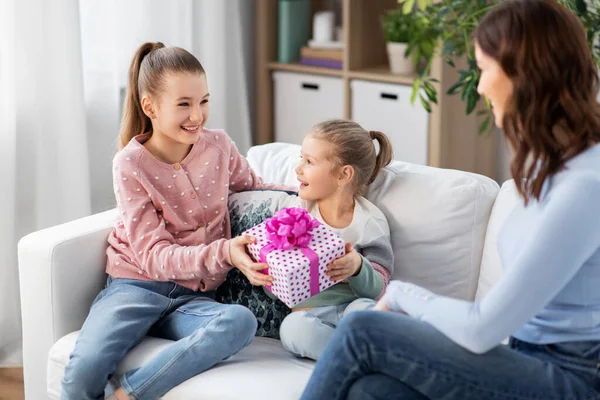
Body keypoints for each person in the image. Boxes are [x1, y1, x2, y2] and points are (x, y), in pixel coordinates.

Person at [301, 1, 600, 399]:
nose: (478, 86)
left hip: (567, 378)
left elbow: (481, 329)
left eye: (484, 68)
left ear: (522, 73)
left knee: (362, 331)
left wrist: (405, 295)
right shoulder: (550, 167)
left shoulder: (585, 185)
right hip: (527, 359)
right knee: (369, 390)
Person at [61, 42, 285, 400]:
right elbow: (154, 257)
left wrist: (310, 193)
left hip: (194, 298)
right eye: (184, 104)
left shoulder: (219, 147)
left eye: (203, 101)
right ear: (150, 106)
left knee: (239, 321)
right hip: (136, 287)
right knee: (80, 373)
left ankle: (130, 394)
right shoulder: (130, 164)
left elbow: (255, 187)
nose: (197, 115)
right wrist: (226, 251)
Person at [244, 119, 395, 360]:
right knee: (293, 330)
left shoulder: (370, 222)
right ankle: (359, 359)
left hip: (353, 306)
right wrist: (269, 274)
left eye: (309, 162)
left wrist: (357, 267)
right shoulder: (295, 212)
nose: (298, 169)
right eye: (300, 158)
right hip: (310, 314)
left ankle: (372, 353)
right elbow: (275, 286)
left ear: (344, 174)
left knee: (367, 313)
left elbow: (380, 288)